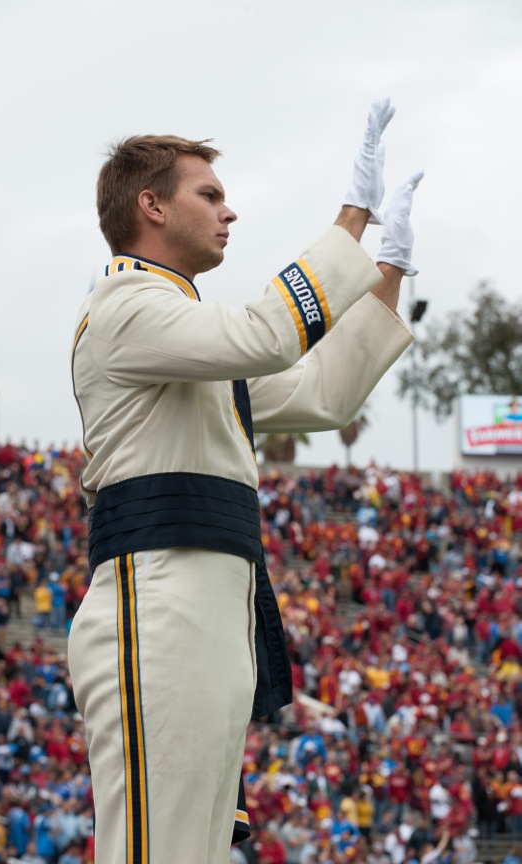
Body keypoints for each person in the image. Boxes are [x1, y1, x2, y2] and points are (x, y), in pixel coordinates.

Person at [68, 98, 423, 864]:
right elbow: (266, 336)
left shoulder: (184, 334)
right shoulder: (126, 304)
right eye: (210, 195)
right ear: (151, 205)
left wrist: (390, 267)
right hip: (156, 607)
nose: (230, 212)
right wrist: (352, 215)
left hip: (202, 613)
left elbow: (321, 393)